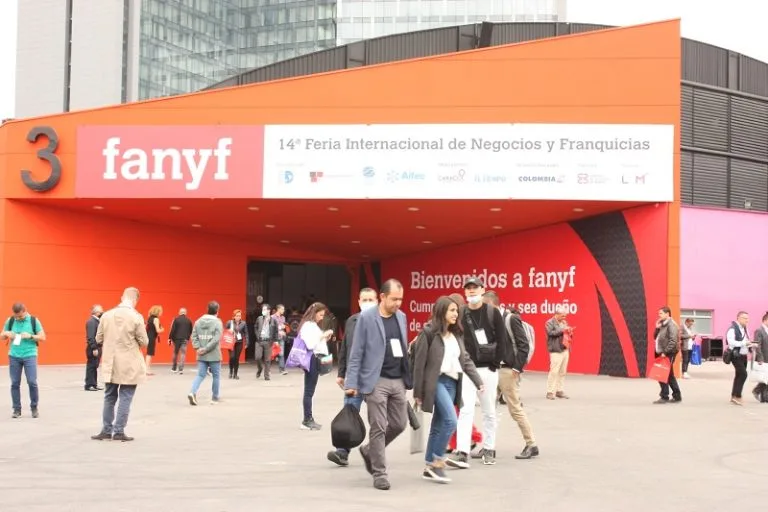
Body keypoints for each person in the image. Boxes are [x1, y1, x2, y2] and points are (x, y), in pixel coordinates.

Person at [345, 279, 410, 491]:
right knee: (379, 427)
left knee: (399, 424)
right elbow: (356, 352)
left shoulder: (401, 317)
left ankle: (369, 450)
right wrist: (351, 382)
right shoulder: (366, 318)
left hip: (397, 379)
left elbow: (403, 349)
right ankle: (379, 473)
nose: (398, 303)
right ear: (382, 297)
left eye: (400, 299)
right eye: (394, 299)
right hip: (375, 380)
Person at [412, 295, 483, 484]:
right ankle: (437, 461)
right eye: (452, 310)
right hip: (436, 382)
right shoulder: (428, 333)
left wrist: (478, 381)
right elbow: (419, 365)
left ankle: (429, 465)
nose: (456, 314)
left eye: (456, 311)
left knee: (438, 424)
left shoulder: (456, 334)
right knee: (451, 420)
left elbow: (465, 359)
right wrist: (418, 392)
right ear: (441, 311)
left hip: (452, 383)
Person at [327, 287, 378, 466]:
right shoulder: (352, 321)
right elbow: (345, 348)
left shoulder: (382, 321)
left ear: (377, 301)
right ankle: (342, 452)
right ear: (359, 302)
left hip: (375, 378)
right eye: (364, 300)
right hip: (354, 377)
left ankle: (374, 452)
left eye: (371, 299)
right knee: (349, 413)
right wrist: (341, 373)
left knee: (378, 418)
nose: (368, 303)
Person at [91, 287, 148, 441]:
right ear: (135, 300)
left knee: (109, 396)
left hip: (110, 362)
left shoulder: (106, 315)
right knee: (125, 397)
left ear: (122, 297)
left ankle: (106, 430)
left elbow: (98, 339)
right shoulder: (136, 317)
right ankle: (119, 431)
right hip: (130, 363)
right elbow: (144, 341)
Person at [1, 303, 46, 419]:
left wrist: (31, 336)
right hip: (14, 356)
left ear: (25, 311)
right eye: (16, 316)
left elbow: (43, 337)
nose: (18, 318)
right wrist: (6, 334)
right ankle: (17, 409)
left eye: (20, 316)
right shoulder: (10, 320)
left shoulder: (33, 320)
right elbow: (2, 336)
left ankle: (34, 407)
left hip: (30, 355)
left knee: (32, 382)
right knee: (15, 383)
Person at [298, 302, 334, 430]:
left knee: (310, 391)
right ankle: (307, 420)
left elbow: (317, 341)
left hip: (315, 358)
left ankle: (308, 418)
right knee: (309, 391)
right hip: (312, 359)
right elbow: (310, 344)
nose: (322, 318)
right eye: (320, 315)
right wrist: (323, 335)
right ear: (314, 313)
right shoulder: (308, 326)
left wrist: (324, 337)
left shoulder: (312, 325)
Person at [187, 301, 224, 406]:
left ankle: (192, 392)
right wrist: (206, 348)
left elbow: (193, 336)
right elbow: (216, 339)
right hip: (214, 354)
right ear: (217, 311)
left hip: (201, 354)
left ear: (207, 309)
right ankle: (215, 398)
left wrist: (198, 348)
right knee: (216, 376)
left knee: (200, 375)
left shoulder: (198, 322)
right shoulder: (217, 322)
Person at [725, 311, 756, 406]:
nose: (747, 320)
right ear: (738, 318)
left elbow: (746, 341)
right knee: (743, 374)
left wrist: (751, 344)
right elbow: (731, 342)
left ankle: (733, 396)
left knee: (738, 375)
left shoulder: (745, 329)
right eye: (744, 318)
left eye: (748, 318)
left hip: (743, 356)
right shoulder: (732, 329)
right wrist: (744, 343)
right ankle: (738, 396)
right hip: (735, 355)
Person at [653, 306, 682, 404]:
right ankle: (677, 396)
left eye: (661, 313)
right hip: (660, 352)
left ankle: (664, 396)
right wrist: (657, 328)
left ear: (667, 314)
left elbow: (673, 341)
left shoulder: (671, 325)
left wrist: (665, 352)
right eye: (659, 313)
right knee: (669, 375)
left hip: (668, 353)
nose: (659, 315)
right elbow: (655, 337)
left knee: (662, 373)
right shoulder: (662, 324)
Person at [84, 305, 104, 391]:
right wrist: (94, 348)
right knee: (91, 366)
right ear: (96, 312)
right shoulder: (92, 322)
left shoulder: (96, 321)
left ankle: (94, 384)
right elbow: (91, 336)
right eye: (101, 311)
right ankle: (89, 385)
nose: (102, 313)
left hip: (97, 347)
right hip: (93, 348)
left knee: (95, 366)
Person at [168, 308, 193, 374]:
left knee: (175, 353)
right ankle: (181, 369)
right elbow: (191, 330)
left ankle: (174, 368)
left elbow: (172, 329)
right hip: (185, 339)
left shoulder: (176, 319)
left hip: (176, 339)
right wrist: (187, 337)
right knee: (183, 353)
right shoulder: (189, 321)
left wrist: (170, 338)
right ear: (185, 313)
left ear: (179, 312)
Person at [226, 309, 249, 379]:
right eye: (237, 316)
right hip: (231, 342)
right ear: (234, 316)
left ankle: (235, 374)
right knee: (232, 357)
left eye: (239, 316)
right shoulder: (230, 323)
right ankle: (231, 371)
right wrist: (229, 331)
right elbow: (225, 331)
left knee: (236, 358)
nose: (238, 317)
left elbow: (246, 333)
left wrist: (247, 342)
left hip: (239, 342)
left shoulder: (243, 323)